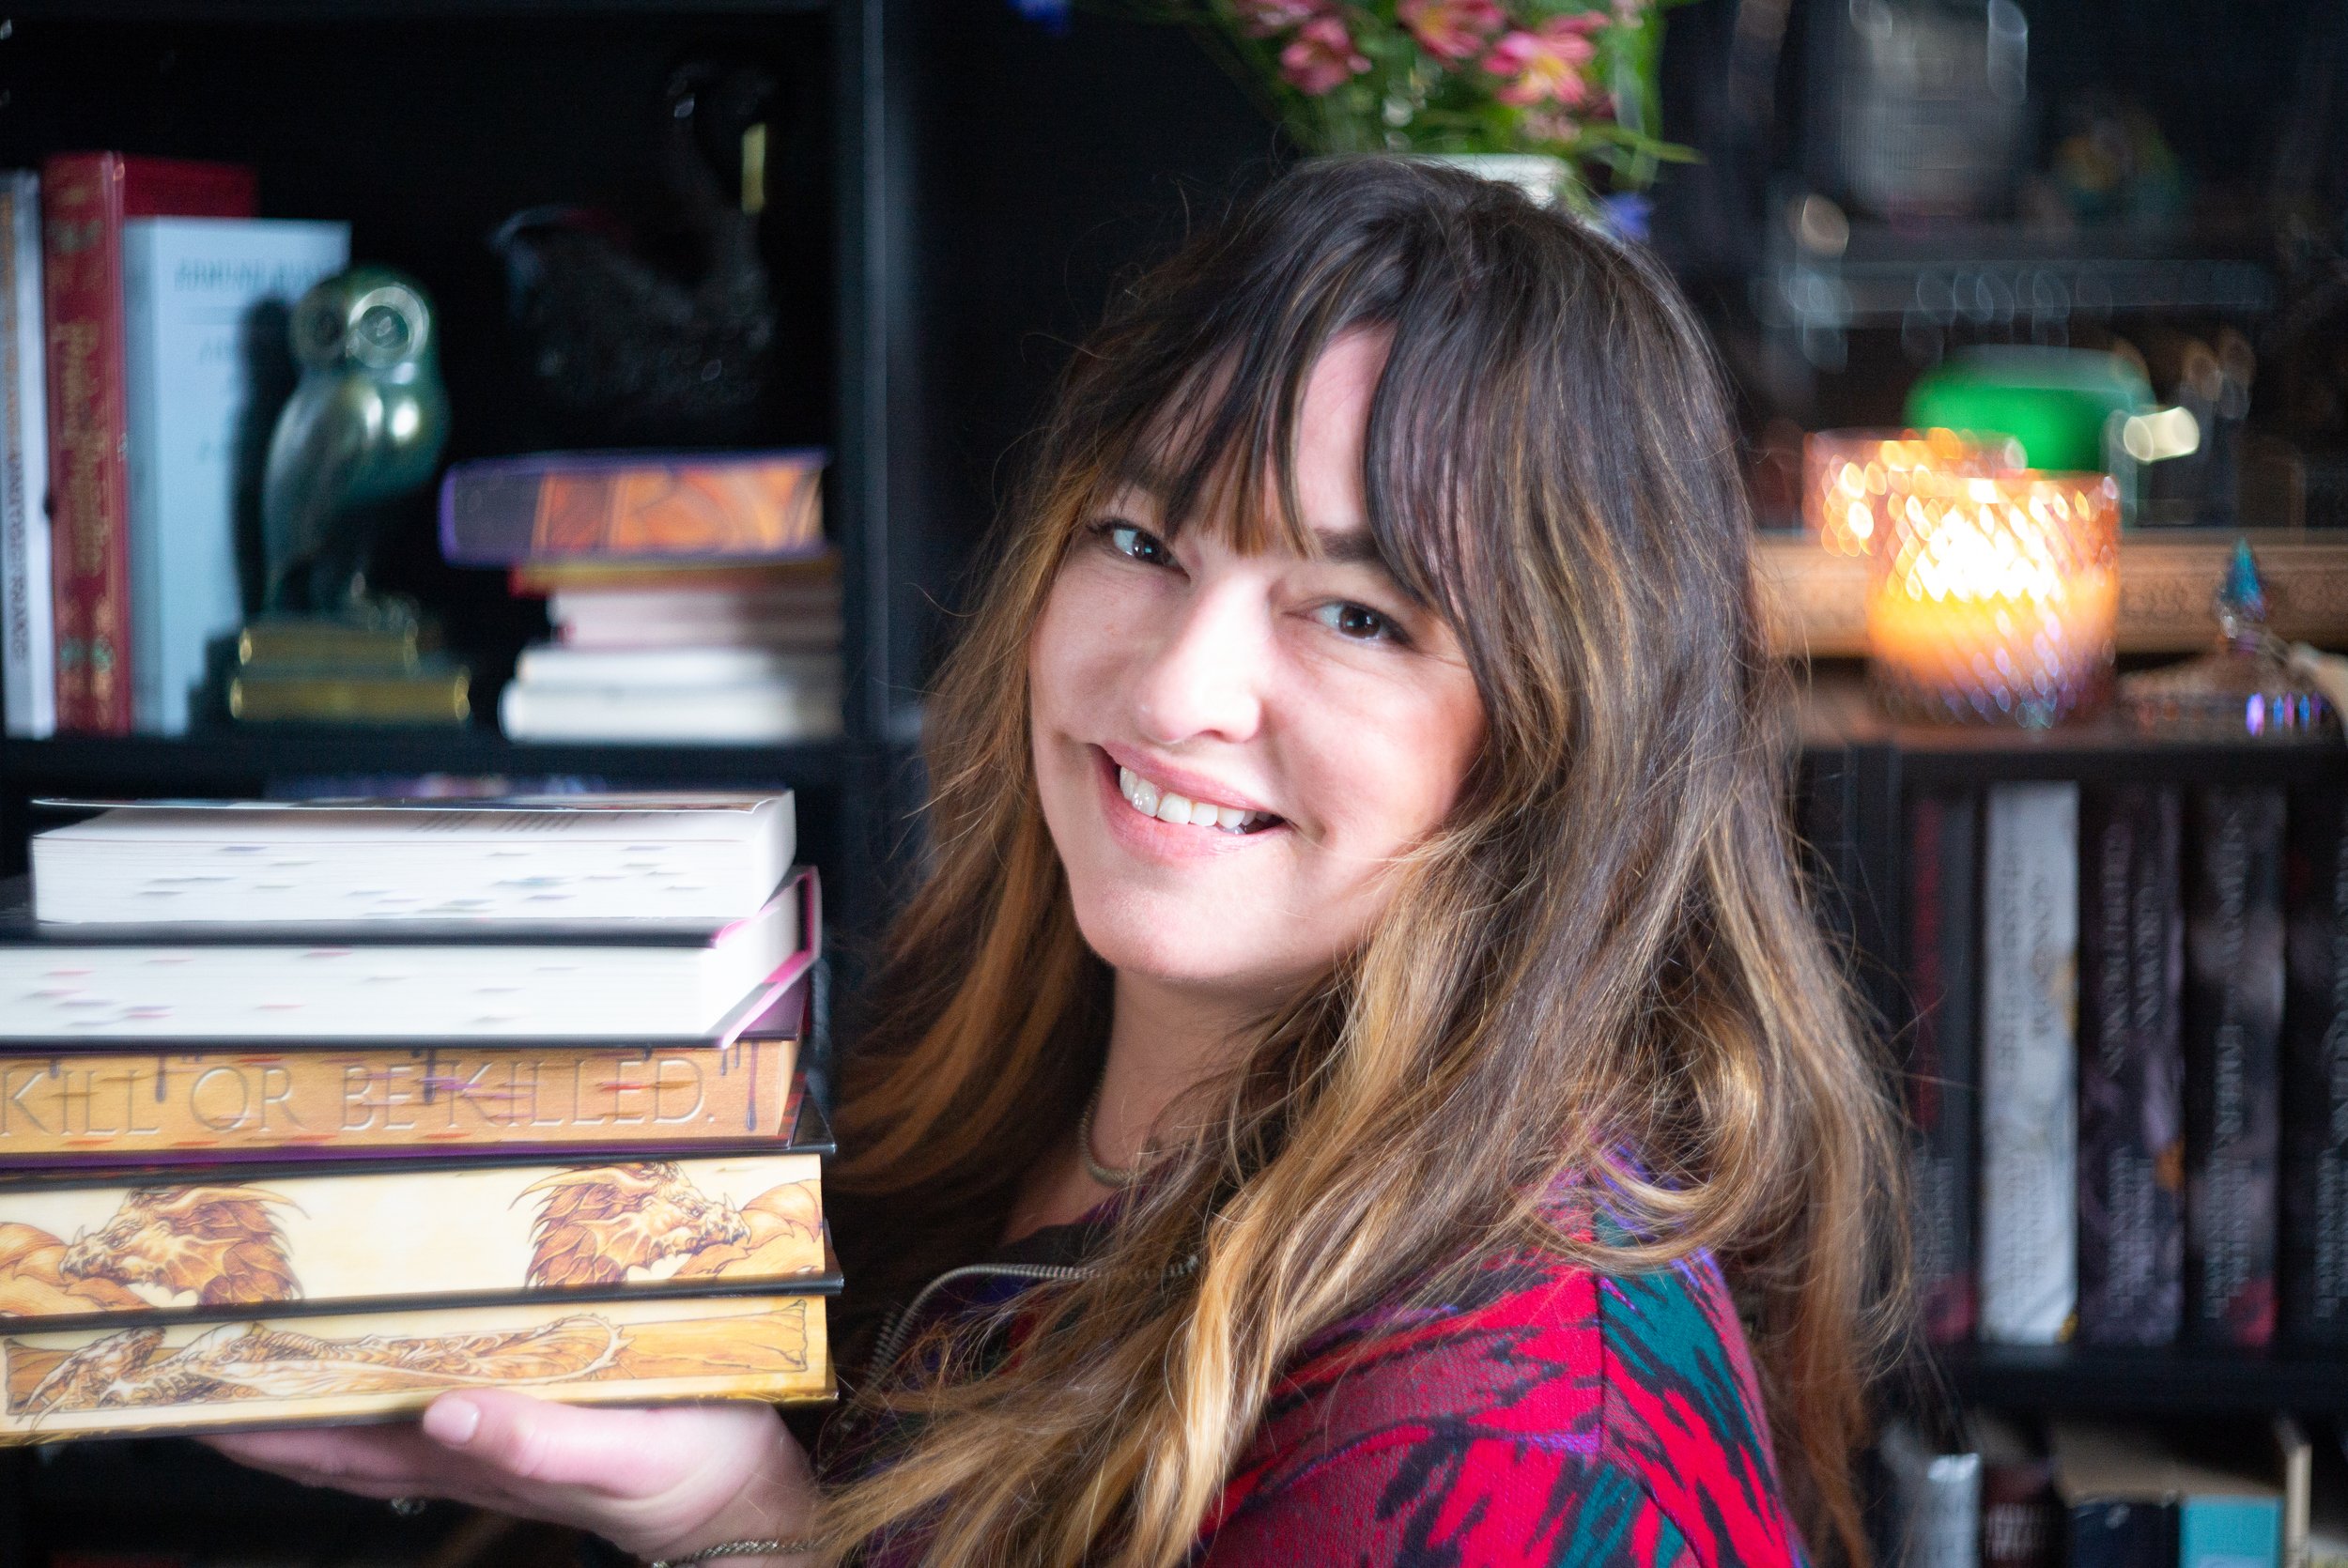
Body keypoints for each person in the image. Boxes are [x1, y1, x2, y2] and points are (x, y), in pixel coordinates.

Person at [212, 157, 1905, 1568]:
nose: (1175, 685)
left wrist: (740, 1524)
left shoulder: (1508, 1442)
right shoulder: (993, 1095)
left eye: (1356, 613)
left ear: (1562, 730)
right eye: (1140, 538)